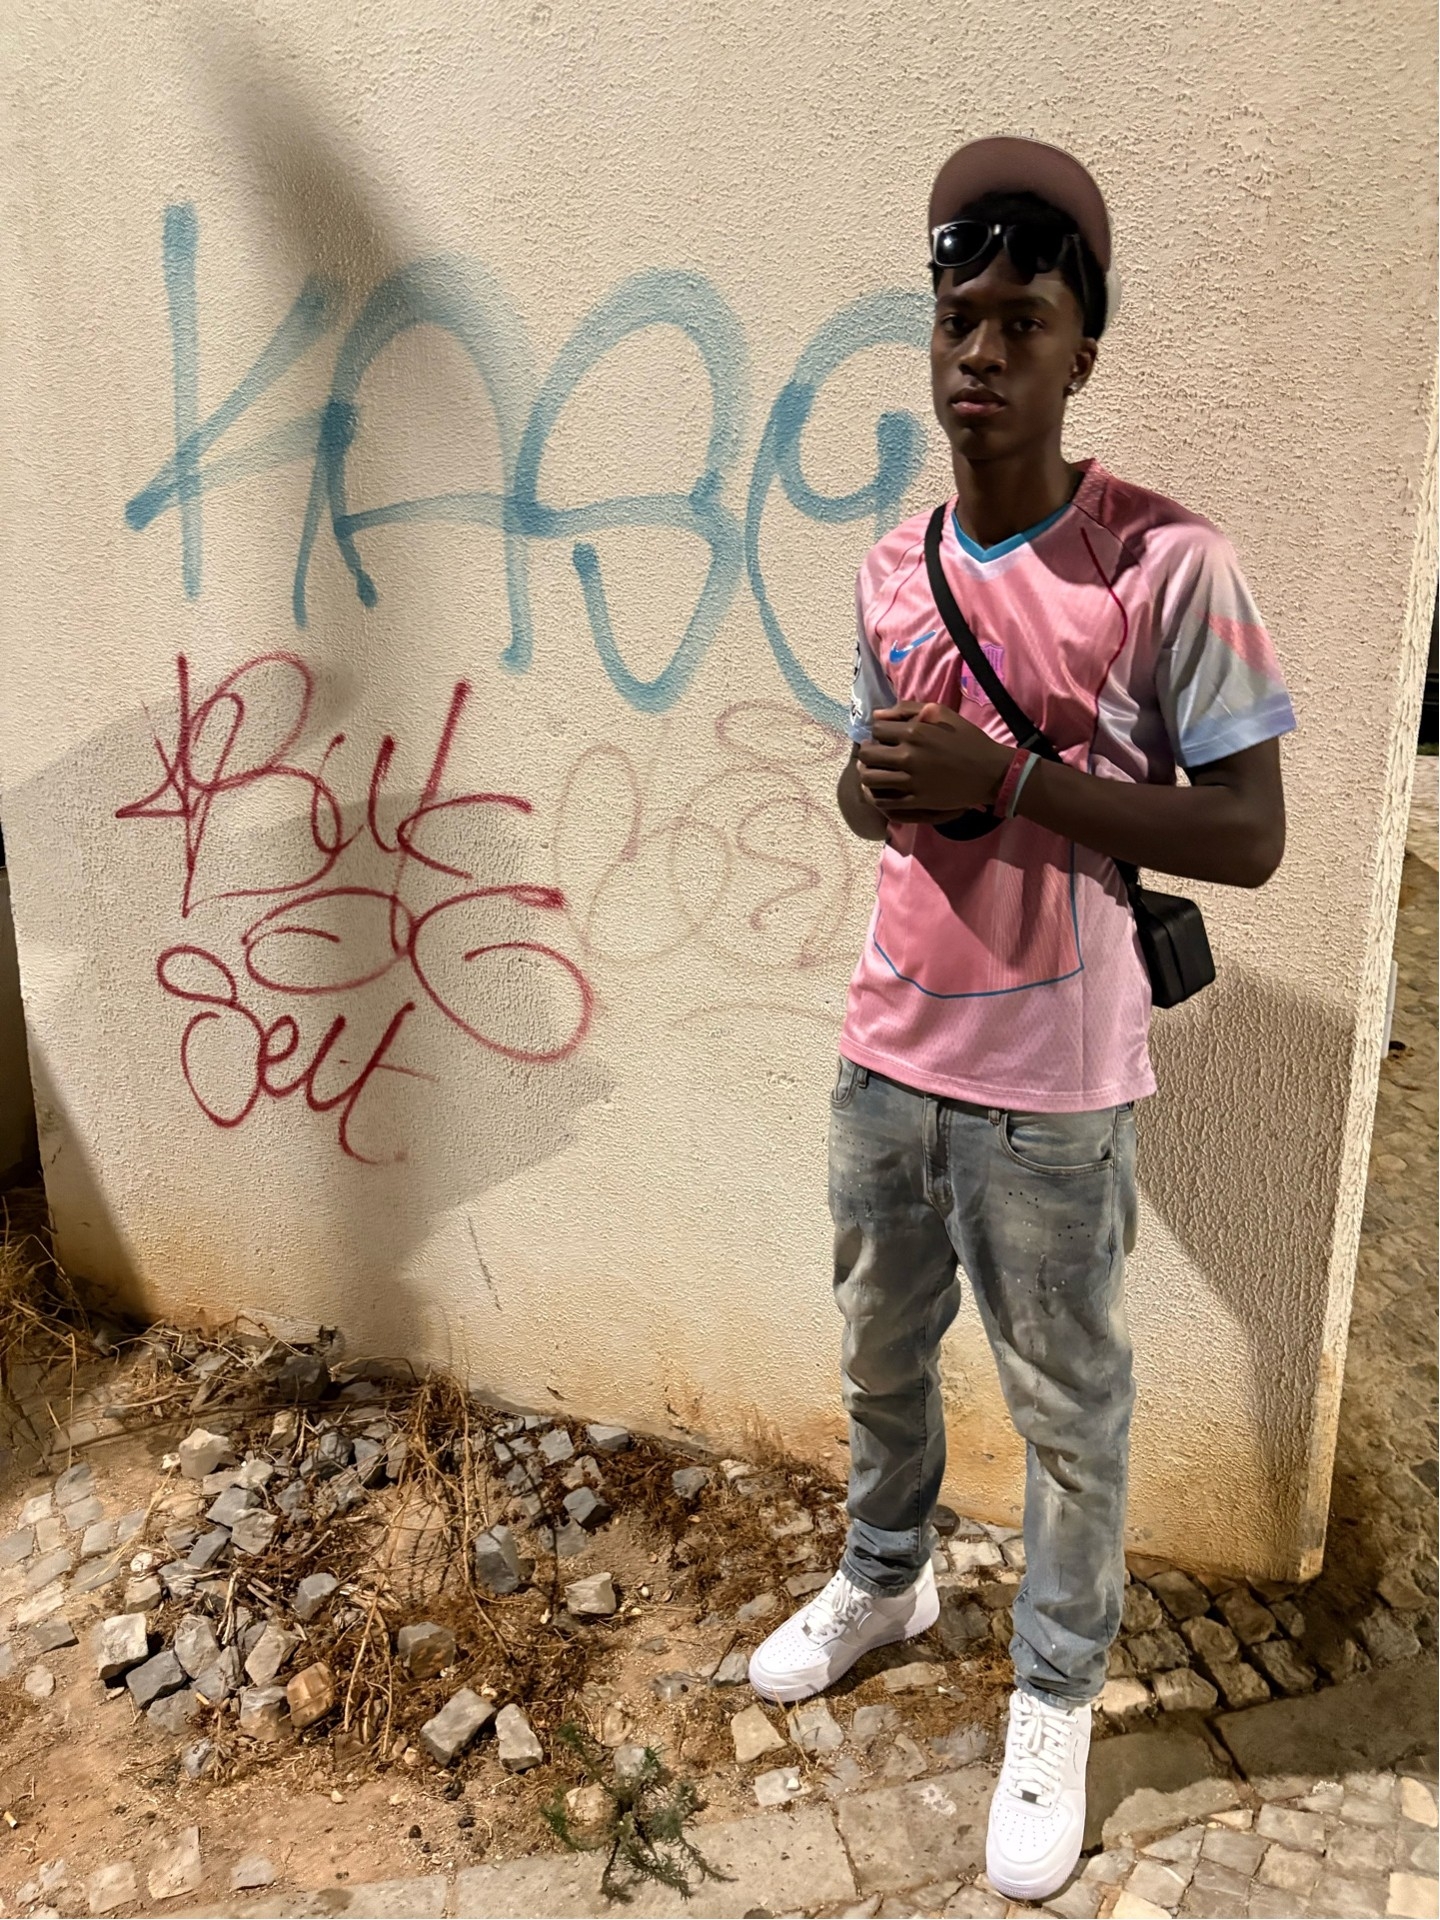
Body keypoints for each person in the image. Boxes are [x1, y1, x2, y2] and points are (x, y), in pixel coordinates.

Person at [748, 136, 1295, 1902]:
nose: (979, 352)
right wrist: (874, 777)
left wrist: (1016, 779)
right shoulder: (890, 564)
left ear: (1081, 352)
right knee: (877, 1351)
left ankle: (1054, 1693)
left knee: (1069, 1410)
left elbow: (1251, 833)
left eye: (1023, 320)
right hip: (886, 1050)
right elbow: (872, 802)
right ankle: (886, 1575)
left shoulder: (1166, 563)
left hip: (1052, 1089)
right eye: (956, 317)